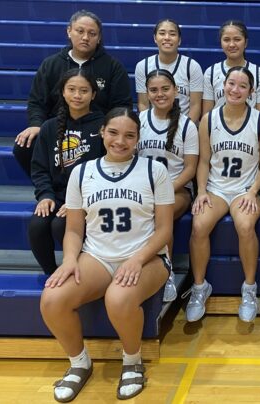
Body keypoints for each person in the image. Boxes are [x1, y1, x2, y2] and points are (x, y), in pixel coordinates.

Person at [39, 107, 174, 402]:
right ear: (102, 132)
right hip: (97, 257)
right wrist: (70, 260)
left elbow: (165, 230)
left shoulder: (154, 171)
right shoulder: (81, 172)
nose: (120, 141)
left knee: (118, 298)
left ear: (138, 138)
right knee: (52, 299)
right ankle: (79, 363)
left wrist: (137, 259)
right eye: (113, 132)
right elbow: (74, 230)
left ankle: (132, 361)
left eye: (129, 135)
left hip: (147, 257)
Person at [186, 66, 260, 323]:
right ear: (223, 86)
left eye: (242, 86)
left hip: (247, 189)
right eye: (231, 83)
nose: (235, 89)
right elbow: (203, 162)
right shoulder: (208, 120)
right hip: (217, 188)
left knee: (245, 225)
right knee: (199, 225)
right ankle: (199, 287)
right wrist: (201, 191)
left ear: (251, 92)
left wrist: (253, 191)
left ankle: (249, 288)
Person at [14, 9, 132, 177]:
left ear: (99, 38)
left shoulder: (113, 67)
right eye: (80, 31)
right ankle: (48, 187)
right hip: (58, 128)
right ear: (69, 31)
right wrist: (37, 125)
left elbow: (122, 105)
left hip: (97, 131)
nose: (85, 37)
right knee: (24, 146)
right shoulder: (51, 64)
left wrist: (108, 129)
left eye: (92, 33)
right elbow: (37, 102)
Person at [30, 69, 105, 275]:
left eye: (84, 90)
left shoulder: (103, 126)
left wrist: (78, 201)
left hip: (88, 197)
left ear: (93, 94)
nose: (77, 95)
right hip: (57, 195)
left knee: (60, 225)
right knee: (37, 225)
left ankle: (78, 270)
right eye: (71, 89)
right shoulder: (49, 127)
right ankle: (51, 273)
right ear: (63, 92)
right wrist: (45, 195)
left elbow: (106, 168)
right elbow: (39, 168)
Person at [138, 69, 199, 302]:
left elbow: (190, 169)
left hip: (177, 189)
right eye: (153, 90)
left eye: (165, 89)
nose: (160, 94)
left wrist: (163, 192)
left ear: (175, 90)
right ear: (147, 93)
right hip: (143, 190)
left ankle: (167, 273)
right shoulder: (139, 120)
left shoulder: (187, 125)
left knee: (160, 214)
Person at [135, 19, 203, 123]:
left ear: (179, 40)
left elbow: (195, 105)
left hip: (183, 125)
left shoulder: (192, 66)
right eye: (162, 33)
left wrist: (185, 128)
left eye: (172, 34)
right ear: (155, 38)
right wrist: (152, 127)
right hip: (153, 126)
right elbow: (143, 104)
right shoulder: (142, 66)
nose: (167, 38)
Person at [202, 20, 260, 116]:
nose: (232, 44)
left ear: (245, 43)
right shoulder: (211, 73)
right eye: (226, 40)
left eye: (237, 39)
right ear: (221, 42)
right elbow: (207, 116)